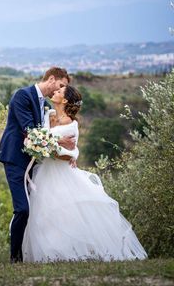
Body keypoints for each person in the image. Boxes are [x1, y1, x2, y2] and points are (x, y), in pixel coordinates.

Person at [22, 85, 147, 262]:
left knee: (65, 213)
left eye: (59, 92)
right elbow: (40, 135)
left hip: (62, 174)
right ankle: (50, 255)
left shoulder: (71, 125)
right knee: (45, 214)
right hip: (45, 172)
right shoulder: (48, 115)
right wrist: (41, 143)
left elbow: (68, 155)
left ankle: (70, 253)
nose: (55, 92)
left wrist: (48, 146)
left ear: (64, 100)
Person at [0, 67, 75, 263]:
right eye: (61, 85)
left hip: (32, 162)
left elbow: (41, 135)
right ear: (52, 79)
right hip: (15, 158)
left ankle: (30, 255)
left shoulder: (43, 104)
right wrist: (59, 143)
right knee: (22, 209)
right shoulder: (22, 96)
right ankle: (15, 258)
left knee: (35, 209)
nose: (61, 89)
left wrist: (68, 153)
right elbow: (31, 132)